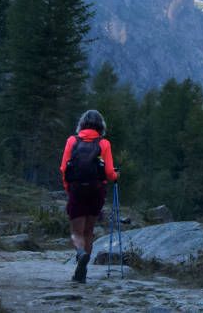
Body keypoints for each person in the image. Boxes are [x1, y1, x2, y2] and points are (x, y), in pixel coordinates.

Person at [59, 109, 118, 283]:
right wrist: (116, 176)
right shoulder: (104, 143)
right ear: (101, 126)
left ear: (82, 124)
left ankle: (80, 252)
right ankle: (83, 270)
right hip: (96, 191)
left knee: (76, 232)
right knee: (89, 231)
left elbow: (64, 169)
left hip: (77, 189)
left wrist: (68, 188)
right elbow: (108, 172)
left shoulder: (72, 141)